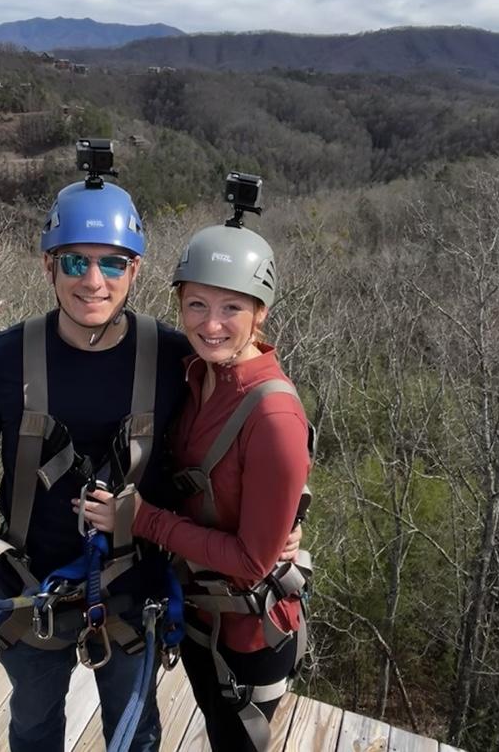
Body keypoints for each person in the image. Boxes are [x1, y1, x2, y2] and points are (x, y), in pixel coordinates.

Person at [0, 175, 191, 752]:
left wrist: (282, 522)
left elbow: (242, 421)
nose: (94, 282)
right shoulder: (3, 361)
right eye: (76, 262)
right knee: (32, 727)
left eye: (114, 264)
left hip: (135, 591)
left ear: (137, 271)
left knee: (135, 736)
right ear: (48, 266)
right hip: (31, 590)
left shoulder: (174, 358)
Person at [83, 222, 312, 752]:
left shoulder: (273, 415)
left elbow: (252, 561)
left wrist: (142, 519)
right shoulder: (197, 373)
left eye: (232, 308)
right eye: (196, 305)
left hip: (250, 629)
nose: (211, 324)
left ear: (261, 313)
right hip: (199, 615)